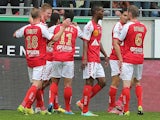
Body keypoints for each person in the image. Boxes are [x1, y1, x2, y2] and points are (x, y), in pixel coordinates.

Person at [14, 7, 70, 115]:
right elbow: (54, 38)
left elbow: (15, 34)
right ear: (40, 16)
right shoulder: (42, 28)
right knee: (37, 84)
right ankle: (24, 104)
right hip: (40, 59)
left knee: (37, 85)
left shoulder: (26, 28)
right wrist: (63, 27)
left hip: (30, 59)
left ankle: (41, 108)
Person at [47, 10, 83, 115]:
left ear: (64, 18)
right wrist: (77, 26)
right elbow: (85, 36)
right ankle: (68, 109)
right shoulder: (75, 29)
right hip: (68, 59)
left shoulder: (55, 27)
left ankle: (50, 103)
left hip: (56, 57)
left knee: (54, 82)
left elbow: (46, 34)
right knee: (68, 84)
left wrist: (51, 43)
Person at [76, 4, 109, 116]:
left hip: (97, 59)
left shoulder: (99, 26)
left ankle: (82, 102)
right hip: (90, 59)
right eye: (101, 11)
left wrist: (105, 54)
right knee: (89, 81)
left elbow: (98, 42)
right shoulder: (89, 26)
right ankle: (85, 111)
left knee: (102, 82)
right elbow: (85, 41)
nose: (103, 13)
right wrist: (84, 58)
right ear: (96, 12)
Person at [116, 5, 147, 116]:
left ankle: (126, 110)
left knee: (126, 84)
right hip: (139, 57)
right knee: (138, 82)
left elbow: (119, 41)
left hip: (128, 58)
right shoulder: (144, 27)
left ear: (129, 14)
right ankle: (140, 106)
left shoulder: (127, 26)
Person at [107, 8, 128, 114]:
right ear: (120, 15)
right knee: (116, 81)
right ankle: (111, 107)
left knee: (130, 80)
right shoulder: (118, 27)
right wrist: (120, 59)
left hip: (125, 57)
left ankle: (119, 103)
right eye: (124, 15)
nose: (126, 17)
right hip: (116, 57)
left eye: (127, 15)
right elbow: (115, 44)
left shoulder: (127, 27)